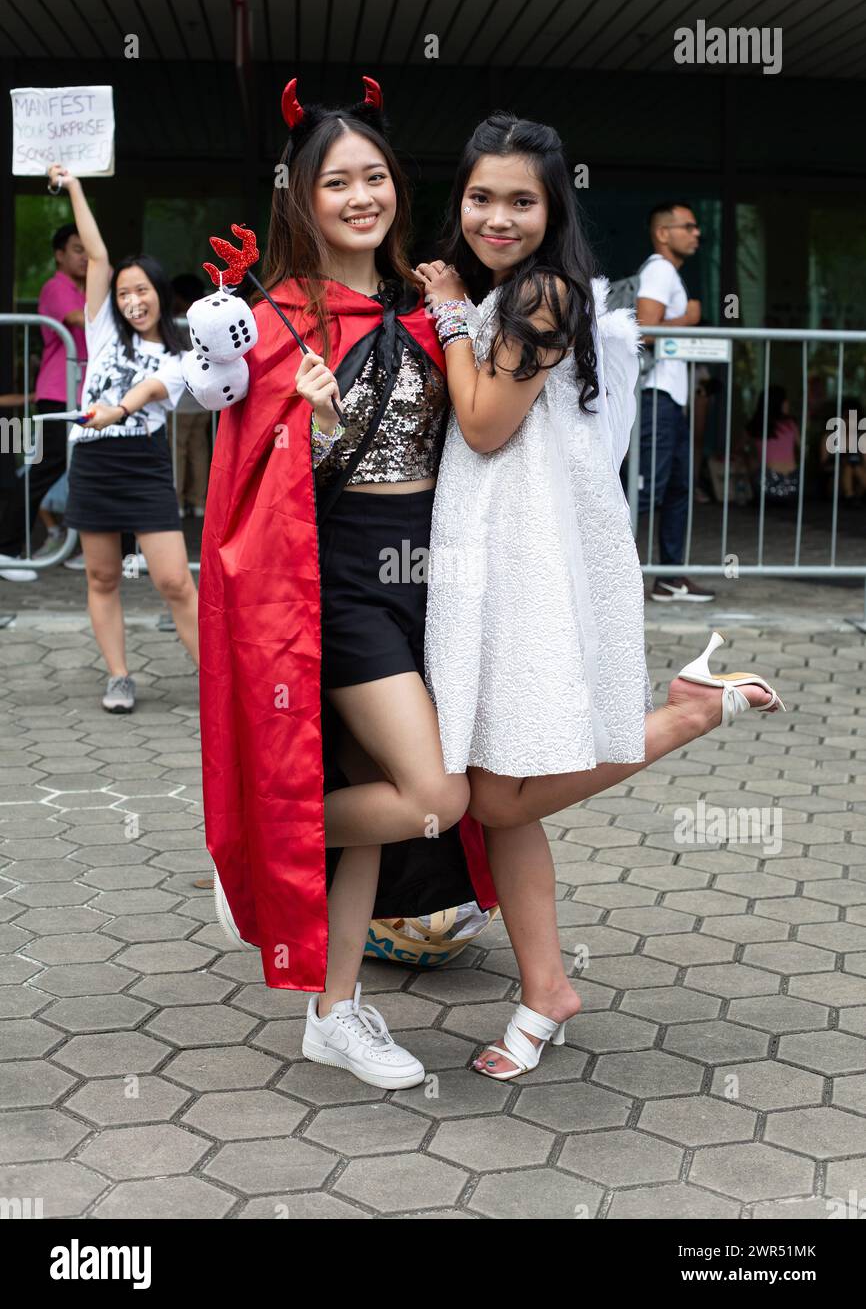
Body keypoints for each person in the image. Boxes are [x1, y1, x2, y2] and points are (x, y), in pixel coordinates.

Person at [415, 114, 785, 1080]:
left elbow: (488, 425)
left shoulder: (538, 294)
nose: (498, 216)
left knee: (495, 791)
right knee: (501, 801)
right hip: (491, 553)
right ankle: (547, 989)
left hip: (525, 561)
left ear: (553, 207)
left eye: (522, 200)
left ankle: (685, 715)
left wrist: (454, 316)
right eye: (482, 197)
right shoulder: (509, 288)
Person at [197, 77, 496, 1092]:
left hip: (431, 577)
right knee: (430, 795)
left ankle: (335, 1013)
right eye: (338, 182)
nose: (361, 195)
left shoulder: (427, 301)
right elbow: (254, 485)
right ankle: (262, 831)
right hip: (340, 585)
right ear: (301, 197)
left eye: (374, 176)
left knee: (367, 789)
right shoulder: (272, 320)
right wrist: (314, 427)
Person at [45, 163, 200, 712]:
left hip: (143, 461)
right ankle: (118, 676)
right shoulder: (102, 326)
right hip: (93, 460)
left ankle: (216, 679)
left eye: (143, 291)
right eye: (125, 292)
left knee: (175, 581)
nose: (134, 300)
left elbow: (157, 387)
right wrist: (77, 190)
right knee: (102, 575)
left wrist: (119, 408)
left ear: (159, 294)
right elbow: (100, 255)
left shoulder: (181, 353)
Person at [635, 202, 715, 602]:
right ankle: (610, 577)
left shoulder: (669, 273)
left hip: (671, 399)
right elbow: (644, 329)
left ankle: (668, 577)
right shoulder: (659, 270)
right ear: (663, 233)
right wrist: (690, 319)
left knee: (677, 488)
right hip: (657, 398)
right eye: (689, 226)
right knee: (645, 489)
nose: (697, 233)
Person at [0, 224, 88, 582]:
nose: (84, 256)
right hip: (57, 394)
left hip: (83, 395)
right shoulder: (57, 287)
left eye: (89, 250)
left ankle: (112, 552)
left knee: (96, 468)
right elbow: (75, 321)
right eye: (77, 249)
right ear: (59, 255)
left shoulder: (87, 291)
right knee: (42, 472)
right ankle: (6, 551)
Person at [170, 274, 211, 518]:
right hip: (203, 398)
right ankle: (199, 501)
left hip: (180, 400)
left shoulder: (176, 322)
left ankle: (176, 501)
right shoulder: (206, 319)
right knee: (199, 449)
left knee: (178, 449)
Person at [744, 384, 801, 504]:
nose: (788, 403)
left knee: (750, 457)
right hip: (794, 486)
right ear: (779, 403)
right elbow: (800, 447)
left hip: (766, 486)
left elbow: (736, 448)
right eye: (785, 400)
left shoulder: (755, 426)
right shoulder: (790, 424)